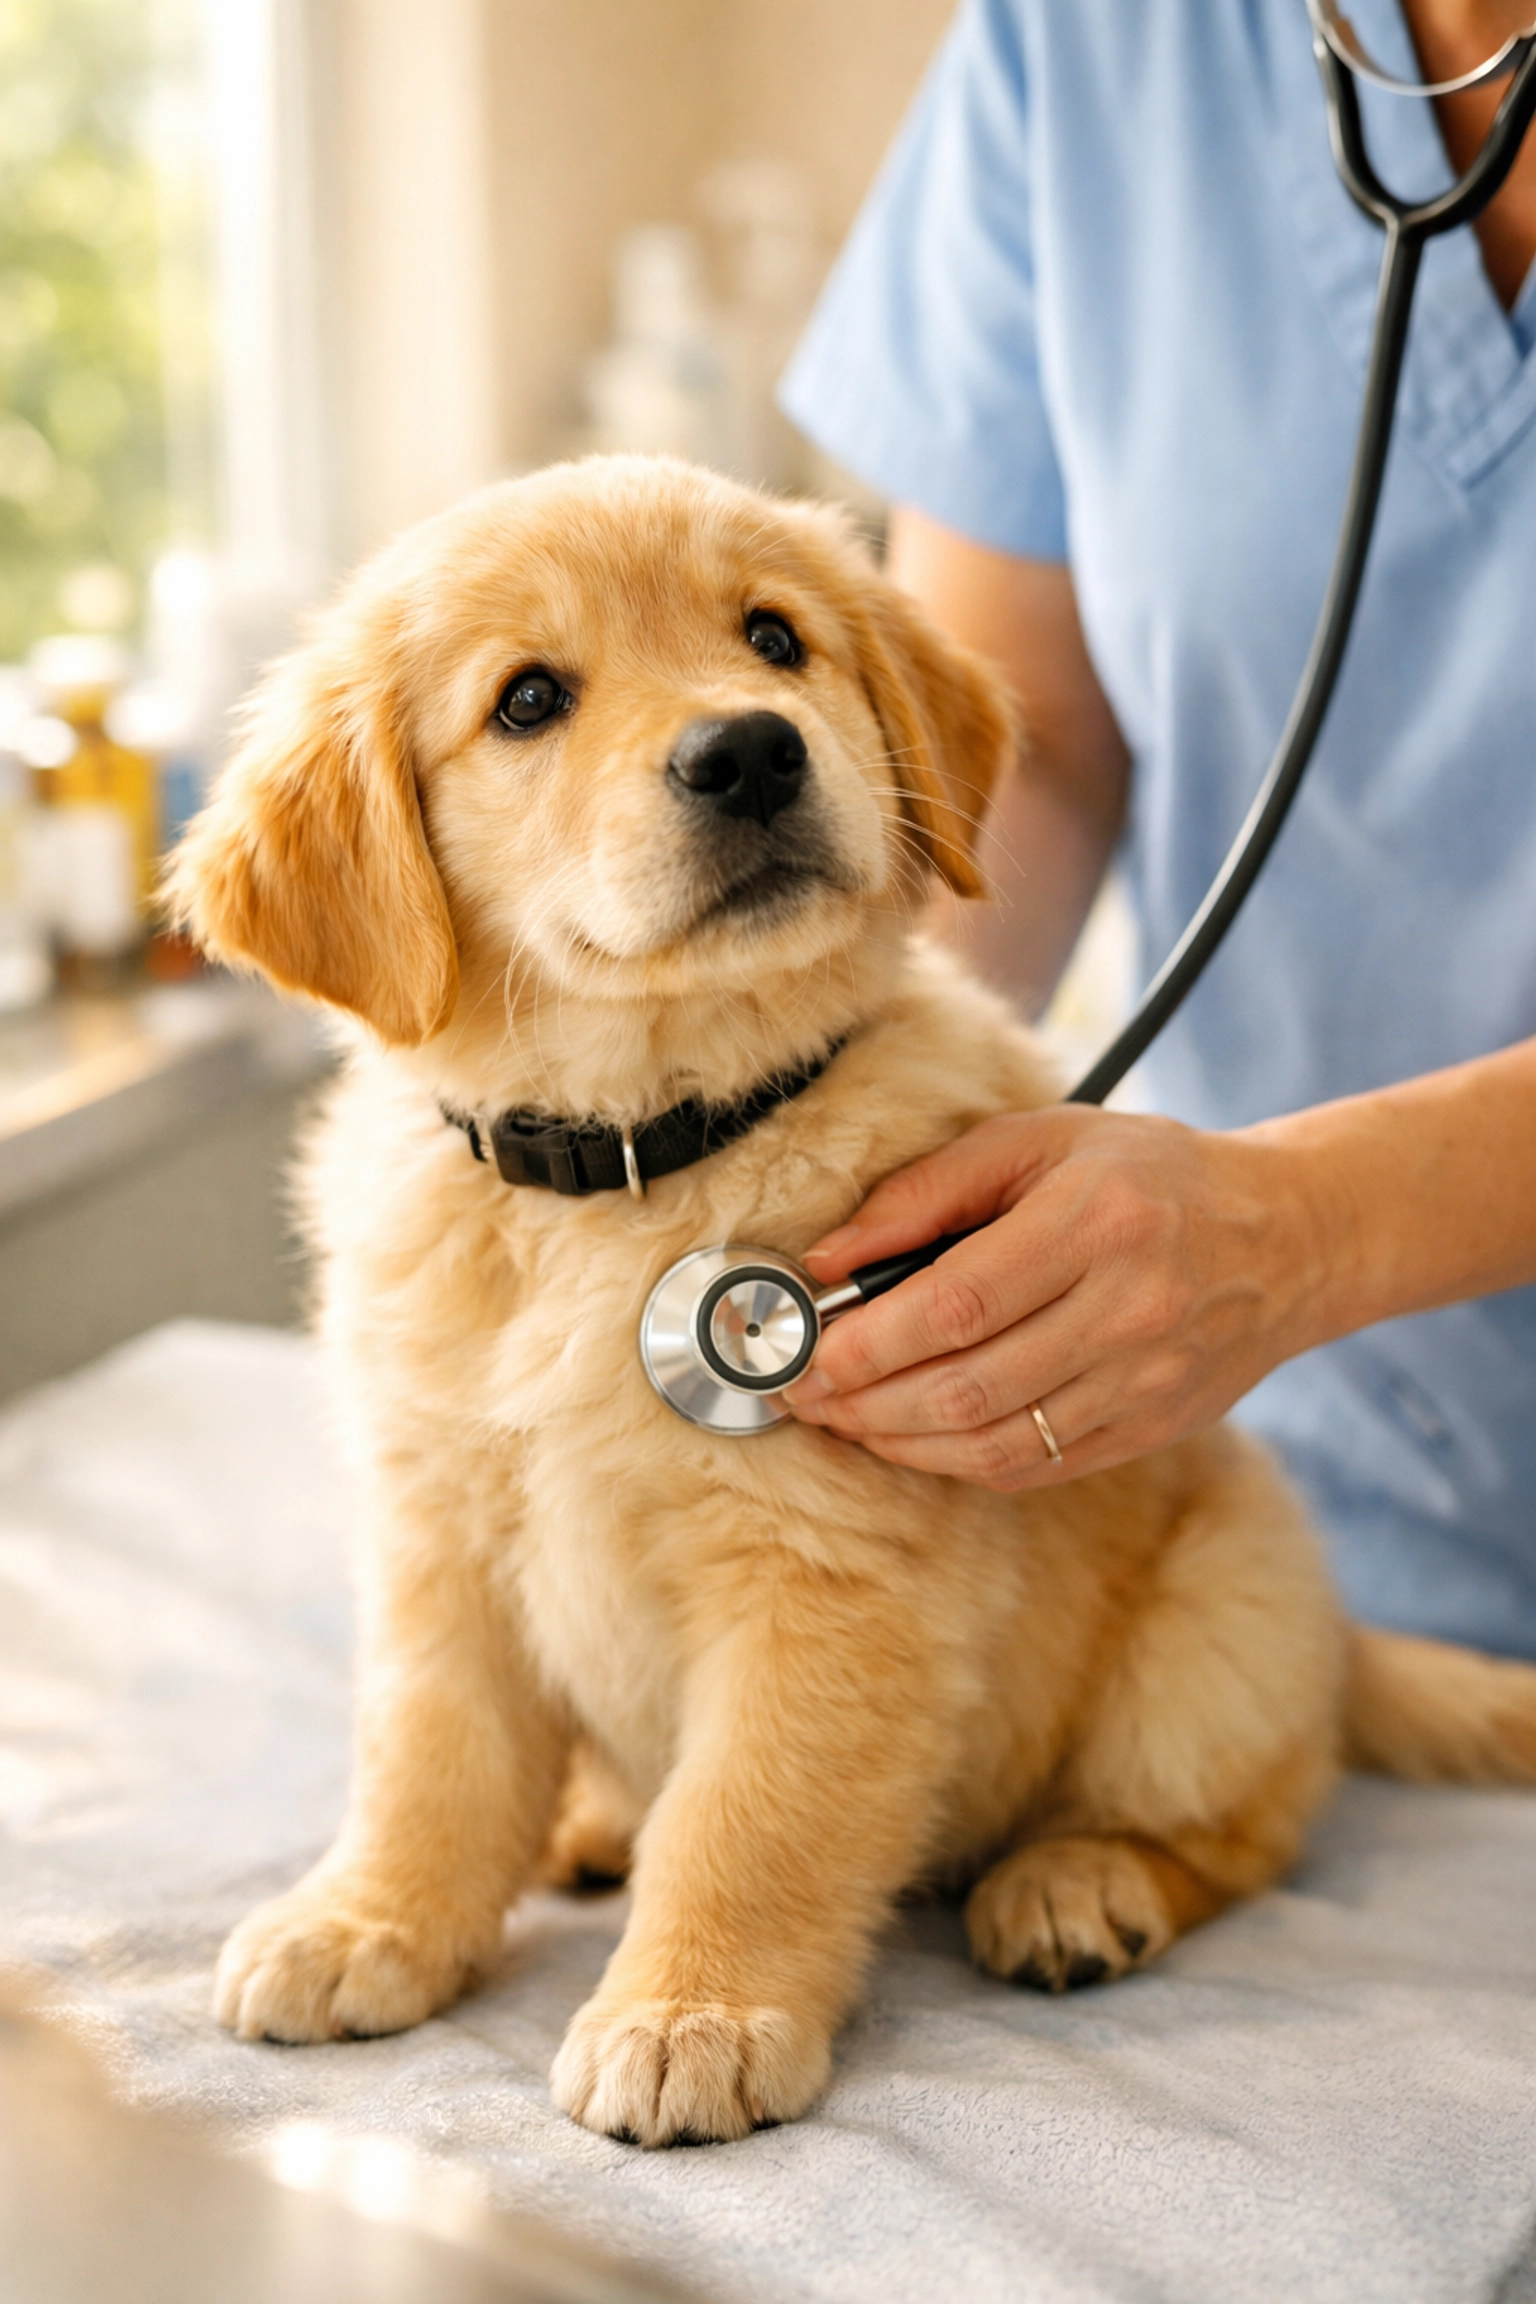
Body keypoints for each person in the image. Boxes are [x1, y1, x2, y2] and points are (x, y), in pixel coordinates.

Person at [776, 0, 1536, 1658]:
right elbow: (1025, 752)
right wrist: (808, 1126)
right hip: (1286, 1506)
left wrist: (1306, 1227)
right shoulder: (1096, 41)